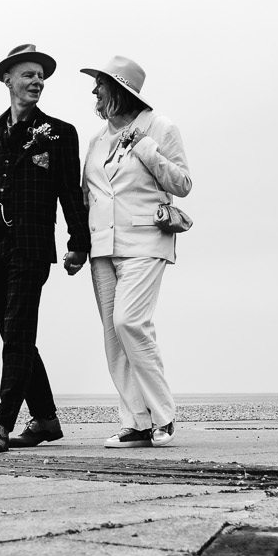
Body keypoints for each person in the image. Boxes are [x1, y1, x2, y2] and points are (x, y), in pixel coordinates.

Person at [0, 43, 90, 453]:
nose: (37, 81)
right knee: (12, 334)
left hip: (31, 246)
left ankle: (1, 424)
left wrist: (78, 243)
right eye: (29, 74)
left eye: (41, 76)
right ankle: (46, 418)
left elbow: (70, 192)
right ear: (8, 79)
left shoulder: (58, 133)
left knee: (18, 331)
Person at [80, 54, 191, 447]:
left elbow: (182, 184)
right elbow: (87, 196)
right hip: (102, 248)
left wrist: (146, 148)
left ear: (119, 89)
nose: (93, 91)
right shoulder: (95, 140)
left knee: (130, 322)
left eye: (100, 84)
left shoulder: (160, 127)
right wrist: (79, 246)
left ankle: (164, 416)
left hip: (145, 241)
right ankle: (136, 422)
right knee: (113, 337)